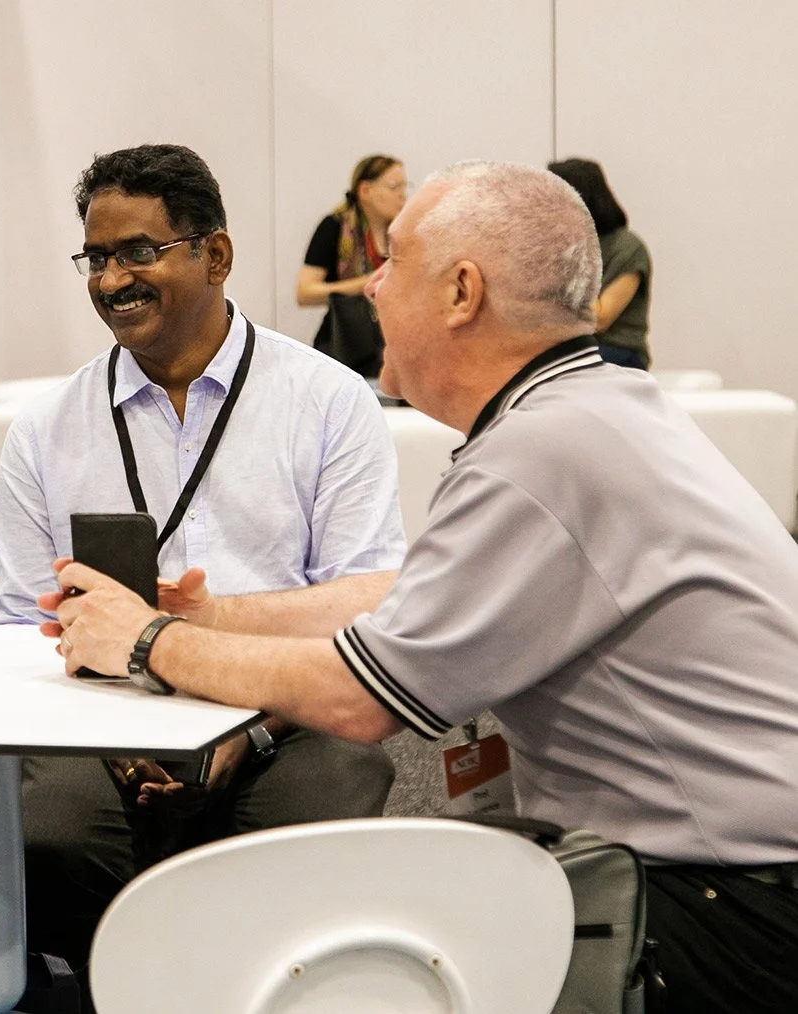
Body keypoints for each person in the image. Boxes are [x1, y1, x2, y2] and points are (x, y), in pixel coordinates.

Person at [47, 160, 798, 1014]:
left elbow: (361, 701)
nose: (370, 285)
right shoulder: (592, 411)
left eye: (394, 261)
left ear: (461, 292)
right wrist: (215, 615)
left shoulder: (538, 454)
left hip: (728, 902)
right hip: (739, 870)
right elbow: (413, 596)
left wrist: (148, 642)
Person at [0, 143, 405, 1001]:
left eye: (138, 252)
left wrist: (241, 733)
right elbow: (11, 633)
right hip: (100, 727)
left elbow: (363, 617)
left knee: (330, 797)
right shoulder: (47, 429)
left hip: (282, 720)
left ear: (215, 255)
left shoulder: (327, 404)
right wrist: (117, 742)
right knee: (49, 827)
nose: (110, 281)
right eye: (96, 259)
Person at [296, 154, 408, 373]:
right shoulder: (334, 227)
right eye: (395, 187)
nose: (403, 196)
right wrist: (363, 285)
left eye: (405, 187)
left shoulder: (402, 233)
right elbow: (305, 292)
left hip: (390, 345)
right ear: (365, 190)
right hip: (344, 345)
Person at [549, 157, 652, 368]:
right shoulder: (552, 244)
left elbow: (601, 318)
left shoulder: (627, 247)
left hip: (614, 350)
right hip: (564, 347)